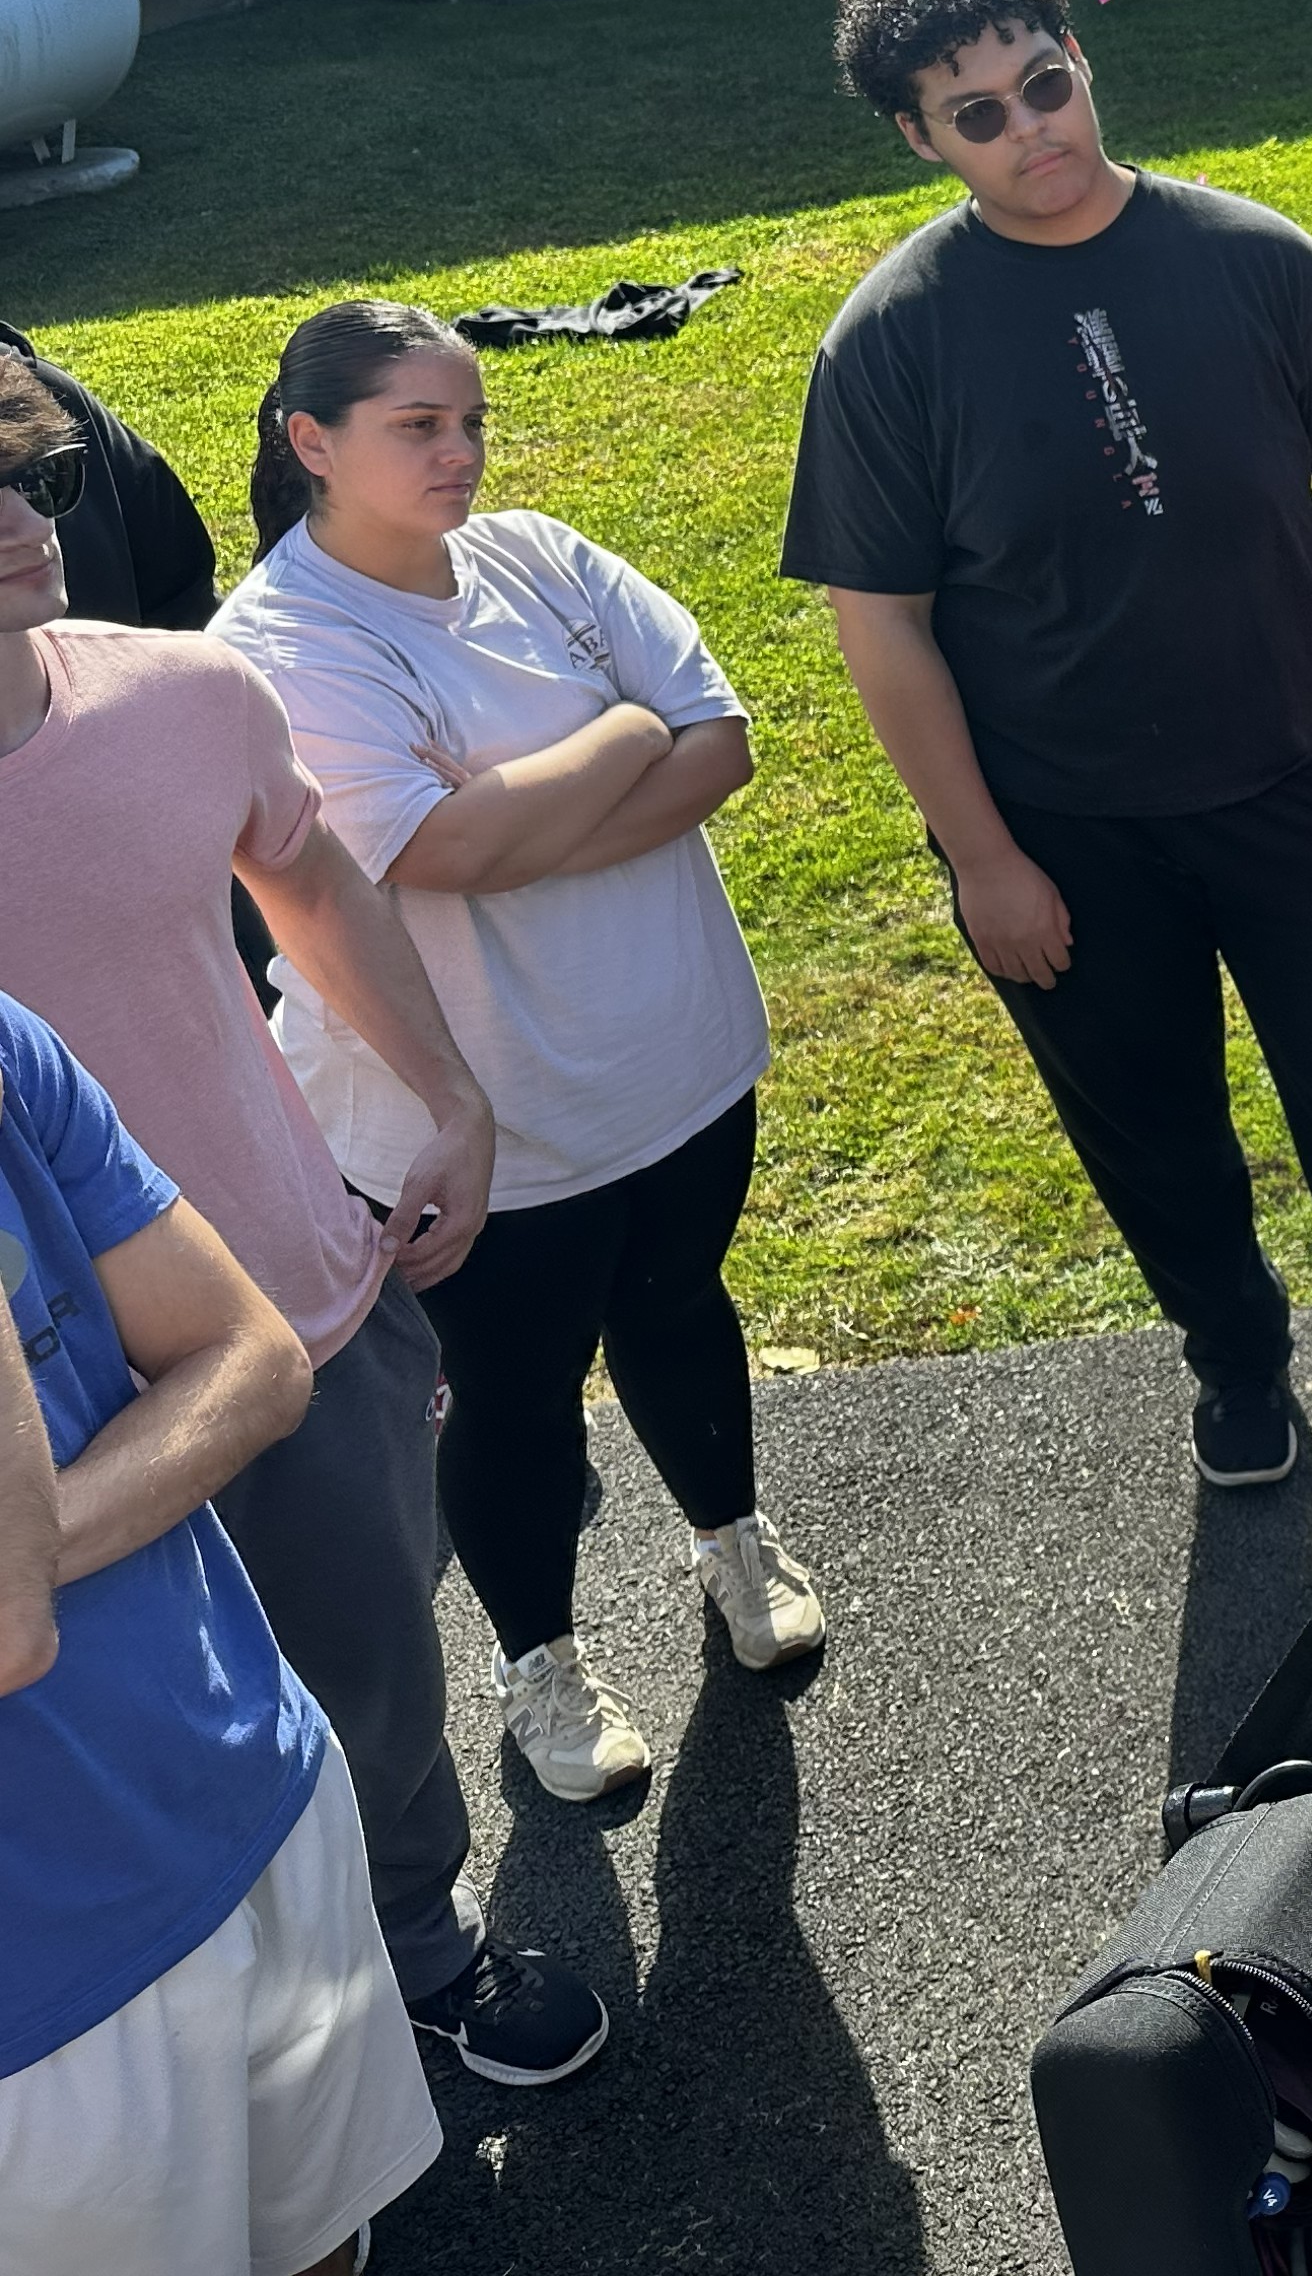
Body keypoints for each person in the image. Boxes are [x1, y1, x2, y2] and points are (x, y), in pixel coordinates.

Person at [0, 366, 612, 2082]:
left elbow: (311, 872)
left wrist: (450, 1095)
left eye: (28, 478)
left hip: (307, 1306)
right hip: (37, 1424)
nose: (19, 524)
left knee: (377, 1673)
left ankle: (419, 1944)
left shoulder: (189, 694)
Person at [786, 0, 1312, 1489]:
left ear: (1080, 62)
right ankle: (1234, 1365)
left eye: (1048, 84)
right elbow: (879, 625)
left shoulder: (1257, 259)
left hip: (1304, 781)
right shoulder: (892, 340)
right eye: (983, 117)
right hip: (1066, 833)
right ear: (917, 136)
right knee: (1155, 1139)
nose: (1035, 135)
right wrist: (982, 859)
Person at [218, 303, 818, 1807]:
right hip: (475, 1118)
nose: (461, 452)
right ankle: (539, 1659)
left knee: (685, 1311)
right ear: (311, 443)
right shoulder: (276, 649)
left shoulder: (540, 556)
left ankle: (732, 1545)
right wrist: (622, 737)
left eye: (470, 419)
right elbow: (448, 845)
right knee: (513, 1395)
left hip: (672, 1056)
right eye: (418, 425)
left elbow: (723, 741)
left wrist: (530, 807)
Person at [0, 989, 443, 2276]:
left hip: (251, 1786)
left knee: (327, 2249)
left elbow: (250, 1358)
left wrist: (55, 1537)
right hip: (46, 2002)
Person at [0, 315, 222, 631]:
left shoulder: (39, 391)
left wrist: (178, 673)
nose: (38, 528)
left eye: (44, 477)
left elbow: (183, 594)